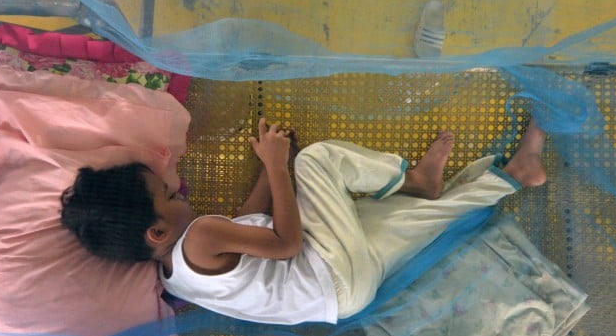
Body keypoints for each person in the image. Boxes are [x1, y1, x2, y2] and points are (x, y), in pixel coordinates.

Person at [61, 118, 547, 325]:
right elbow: (285, 241)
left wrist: (267, 161)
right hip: (323, 266)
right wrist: (282, 163)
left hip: (343, 298)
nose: (179, 190)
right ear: (157, 231)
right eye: (170, 195)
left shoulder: (175, 281)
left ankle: (516, 175)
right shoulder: (202, 234)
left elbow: (251, 224)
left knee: (404, 219)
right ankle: (415, 179)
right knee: (317, 162)